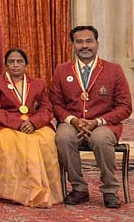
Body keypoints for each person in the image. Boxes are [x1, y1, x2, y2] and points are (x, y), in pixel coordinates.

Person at [50, 26, 132, 209]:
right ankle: (79, 188)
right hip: (72, 122)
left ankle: (110, 190)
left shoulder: (114, 70)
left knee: (100, 138)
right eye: (79, 42)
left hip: (105, 123)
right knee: (63, 137)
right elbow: (55, 104)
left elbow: (125, 106)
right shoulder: (62, 70)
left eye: (89, 41)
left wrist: (98, 122)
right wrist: (73, 120)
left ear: (97, 44)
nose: (84, 46)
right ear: (73, 45)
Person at [0, 48, 61, 208]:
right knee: (11, 141)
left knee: (45, 139)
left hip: (33, 123)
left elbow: (47, 109)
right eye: (11, 62)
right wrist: (18, 124)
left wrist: (33, 123)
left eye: (19, 62)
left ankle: (39, 190)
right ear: (6, 65)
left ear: (26, 65)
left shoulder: (38, 84)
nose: (15, 65)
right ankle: (13, 192)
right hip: (4, 125)